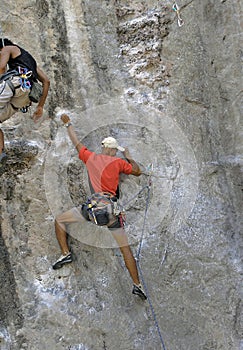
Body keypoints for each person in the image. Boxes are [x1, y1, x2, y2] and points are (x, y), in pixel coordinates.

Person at [52, 113, 147, 300]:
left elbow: (76, 142)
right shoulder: (119, 162)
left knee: (60, 221)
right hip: (111, 211)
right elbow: (137, 171)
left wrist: (67, 123)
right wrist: (128, 157)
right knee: (125, 249)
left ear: (104, 148)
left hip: (93, 208)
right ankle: (137, 285)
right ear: (113, 150)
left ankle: (65, 253)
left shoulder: (91, 158)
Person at [0, 38, 50, 167]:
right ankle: (1, 154)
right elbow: (46, 81)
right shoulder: (30, 62)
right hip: (25, 96)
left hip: (14, 84)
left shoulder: (7, 48)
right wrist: (40, 106)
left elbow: (1, 68)